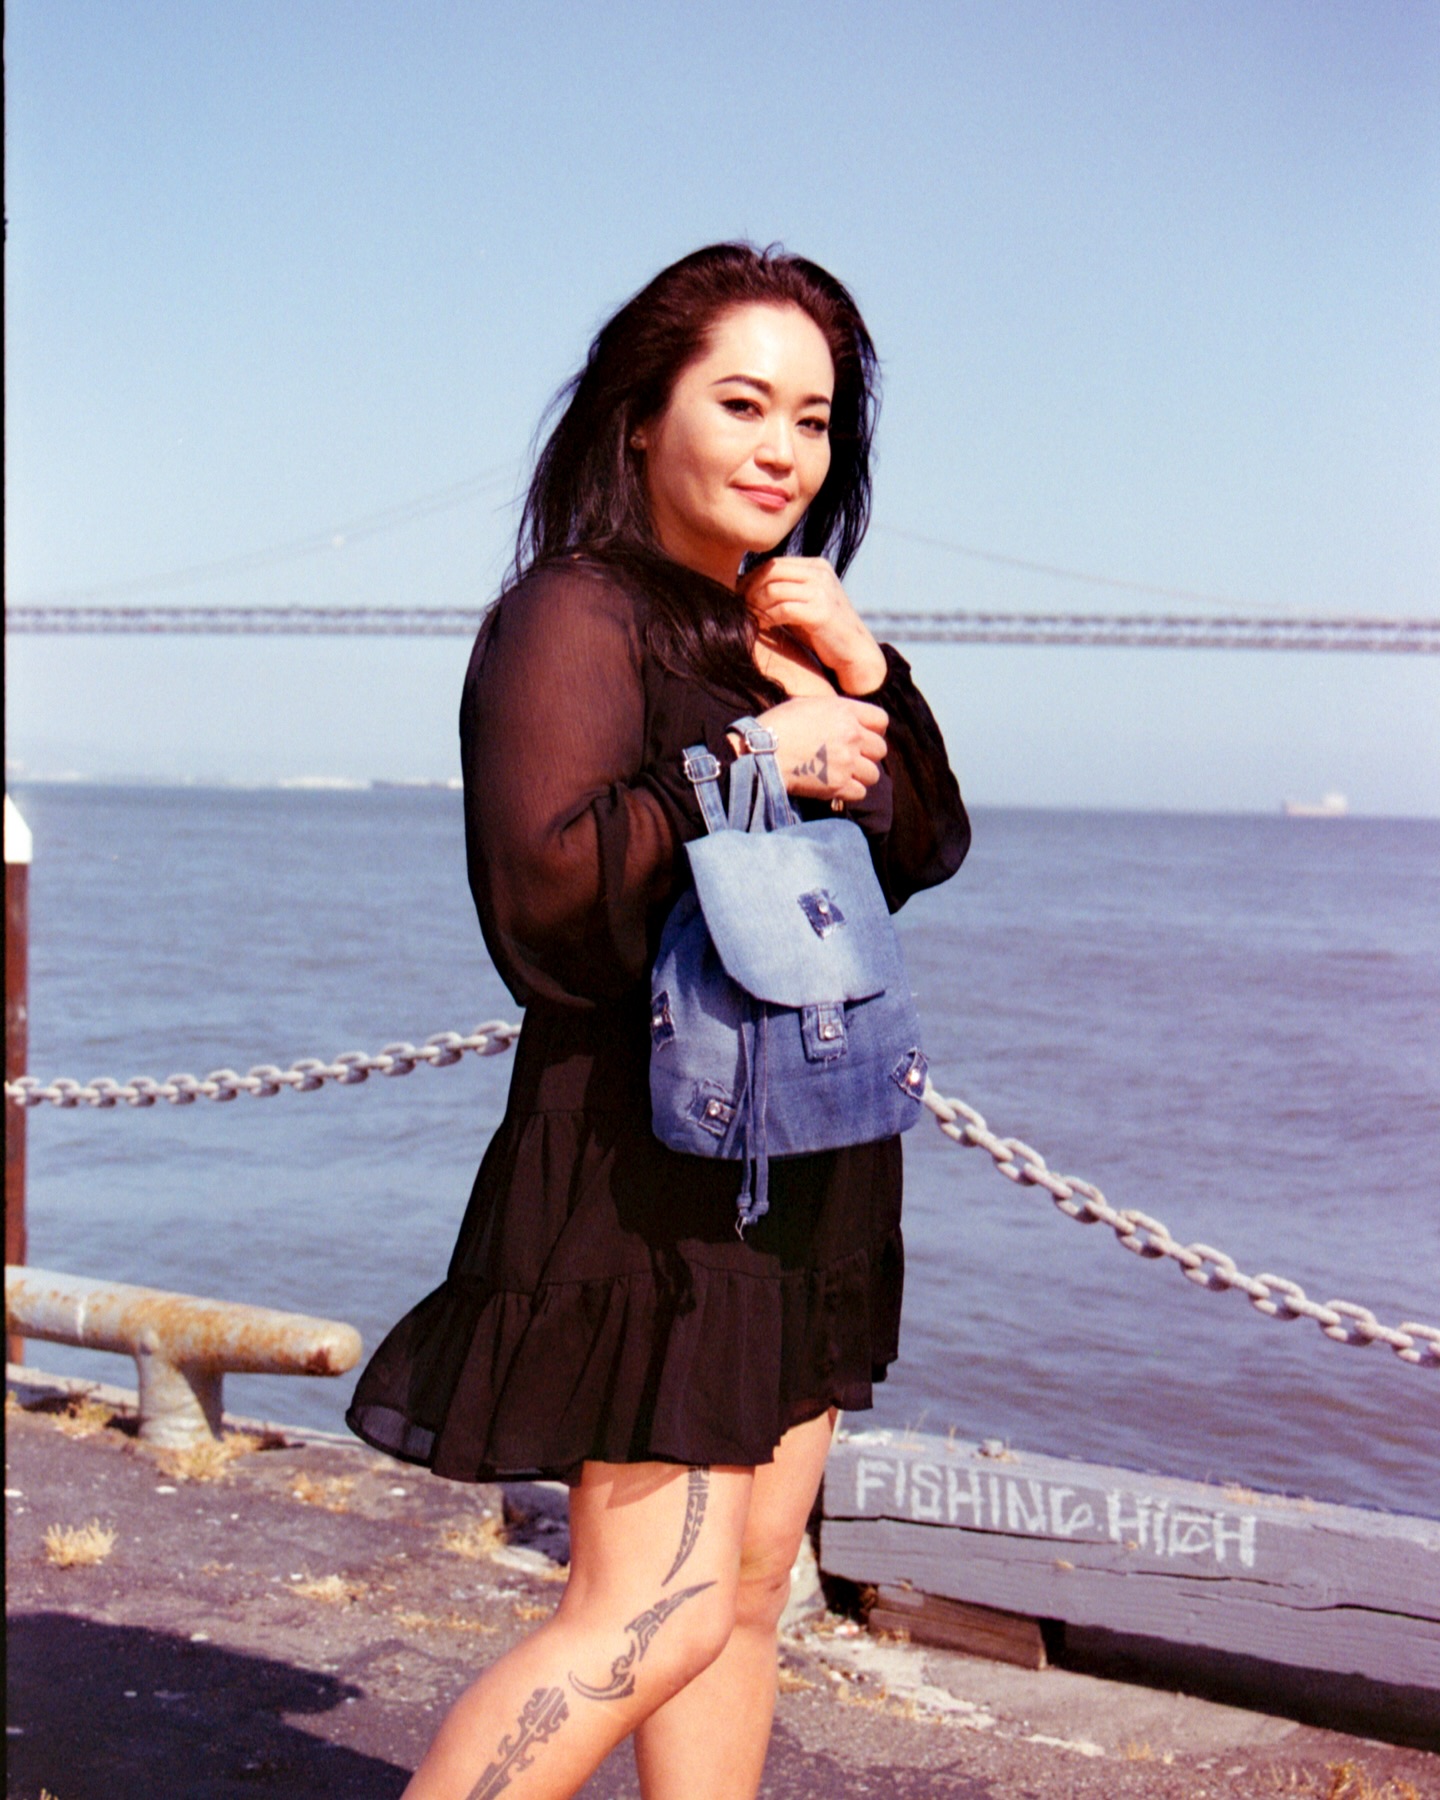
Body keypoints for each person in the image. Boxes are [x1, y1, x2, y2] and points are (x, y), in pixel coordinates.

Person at [347, 242, 969, 1800]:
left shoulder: (769, 630)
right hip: (647, 1173)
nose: (784, 450)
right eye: (745, 402)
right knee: (652, 1610)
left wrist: (861, 670)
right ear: (642, 417)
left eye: (815, 421)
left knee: (751, 1598)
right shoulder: (574, 612)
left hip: (806, 1161)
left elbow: (929, 839)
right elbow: (545, 904)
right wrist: (763, 756)